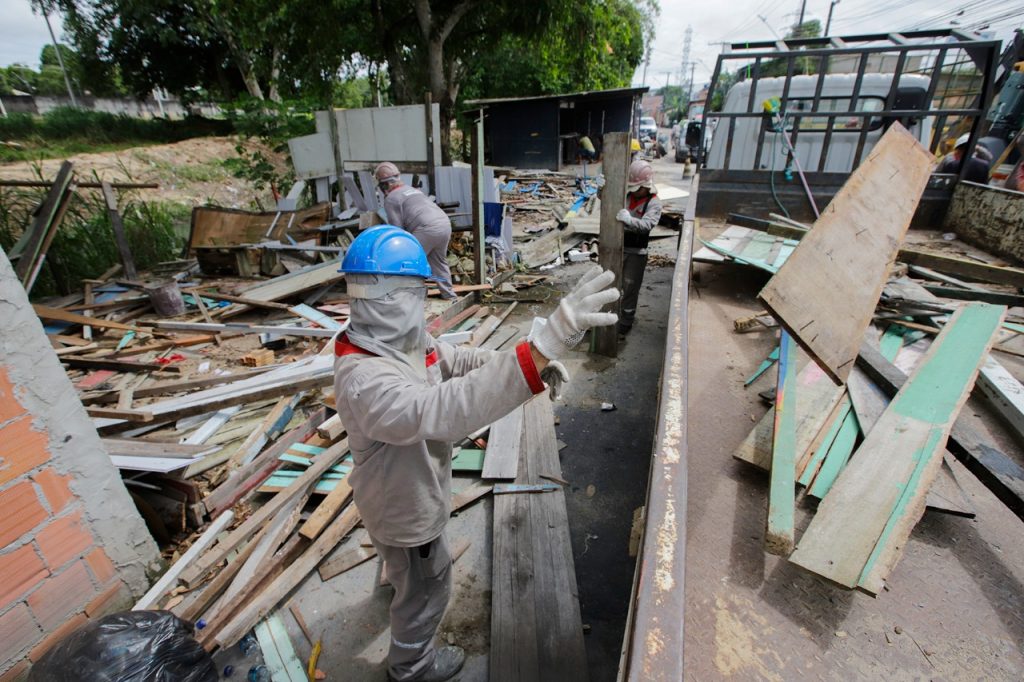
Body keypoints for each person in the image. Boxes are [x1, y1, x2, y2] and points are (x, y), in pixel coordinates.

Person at [333, 225, 619, 682]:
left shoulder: (393, 340)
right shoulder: (364, 378)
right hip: (404, 507)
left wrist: (531, 358)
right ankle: (411, 667)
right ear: (393, 296)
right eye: (418, 293)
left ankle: (399, 579)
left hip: (398, 492)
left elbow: (456, 360)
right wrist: (540, 351)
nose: (423, 304)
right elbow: (444, 409)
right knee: (429, 587)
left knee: (405, 568)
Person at [373, 162, 457, 299]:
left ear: (384, 185)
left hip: (426, 228)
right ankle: (449, 295)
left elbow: (397, 230)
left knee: (407, 261)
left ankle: (407, 298)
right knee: (438, 262)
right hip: (444, 224)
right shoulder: (412, 190)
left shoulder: (392, 199)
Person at [615, 160, 662, 335]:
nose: (634, 191)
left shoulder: (654, 203)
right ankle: (608, 317)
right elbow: (608, 200)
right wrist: (601, 188)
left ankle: (626, 321)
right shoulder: (628, 195)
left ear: (647, 185)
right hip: (618, 248)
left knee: (629, 287)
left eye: (637, 188)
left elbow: (647, 225)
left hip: (636, 253)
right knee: (612, 284)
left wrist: (629, 220)